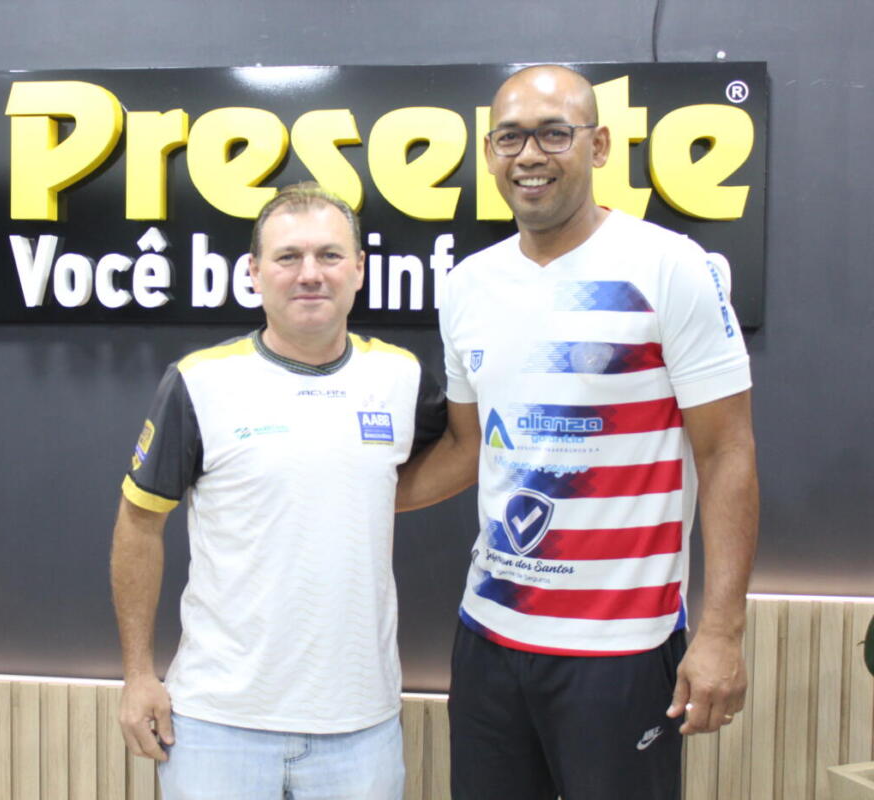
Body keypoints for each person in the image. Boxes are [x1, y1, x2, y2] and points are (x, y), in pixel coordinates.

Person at [397, 65, 759, 800]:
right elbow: (469, 447)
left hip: (622, 649)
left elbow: (727, 453)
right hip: (489, 637)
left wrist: (722, 631)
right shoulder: (467, 286)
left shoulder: (670, 266)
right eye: (509, 137)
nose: (529, 155)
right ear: (489, 153)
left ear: (598, 147)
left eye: (553, 134)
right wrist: (353, 493)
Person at [111, 182, 446, 799]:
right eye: (288, 257)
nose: (310, 273)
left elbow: (460, 452)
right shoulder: (199, 382)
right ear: (254, 273)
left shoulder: (401, 376)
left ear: (359, 269)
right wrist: (137, 675)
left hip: (360, 728)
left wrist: (372, 497)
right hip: (216, 726)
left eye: (329, 255)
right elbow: (138, 523)